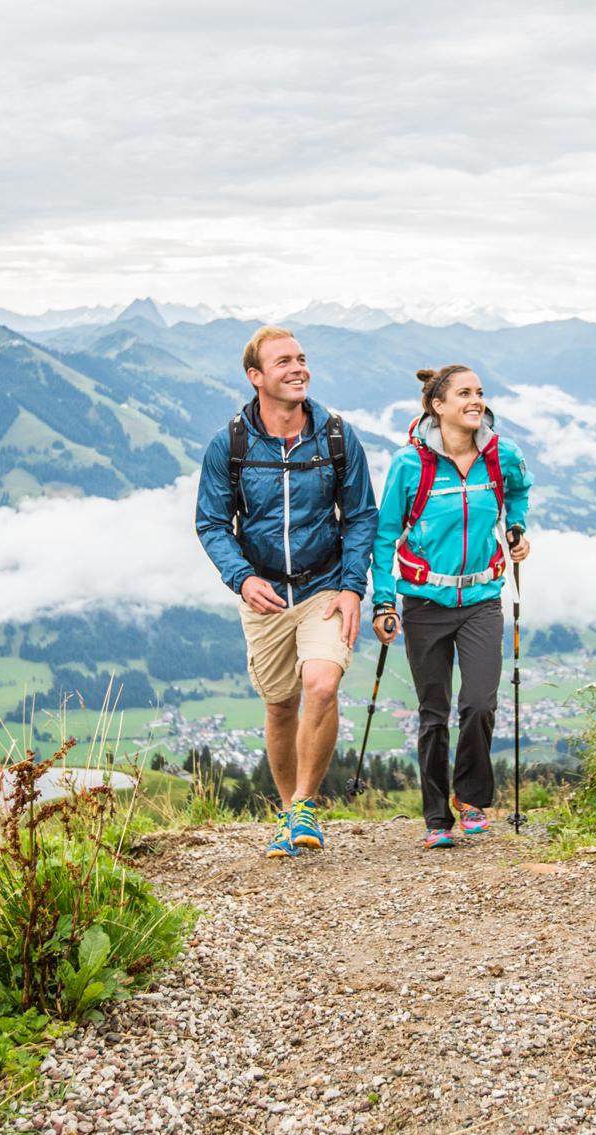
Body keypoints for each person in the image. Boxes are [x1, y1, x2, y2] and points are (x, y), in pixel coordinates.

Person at [195, 326, 378, 859]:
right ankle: (286, 815)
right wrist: (243, 578)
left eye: (301, 359)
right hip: (265, 595)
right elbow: (212, 523)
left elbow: (361, 515)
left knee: (321, 684)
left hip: (325, 586)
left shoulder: (336, 436)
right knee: (280, 706)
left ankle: (303, 805)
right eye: (284, 362)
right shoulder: (230, 444)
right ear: (255, 377)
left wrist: (352, 588)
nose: (299, 369)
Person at [369, 364, 532, 850]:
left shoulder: (502, 455)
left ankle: (471, 798)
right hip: (424, 603)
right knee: (434, 712)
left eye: (479, 392)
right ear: (437, 406)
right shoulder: (409, 465)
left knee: (479, 703)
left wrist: (517, 528)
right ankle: (437, 818)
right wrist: (383, 602)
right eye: (464, 393)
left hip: (482, 598)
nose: (476, 400)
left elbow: (519, 492)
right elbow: (384, 536)